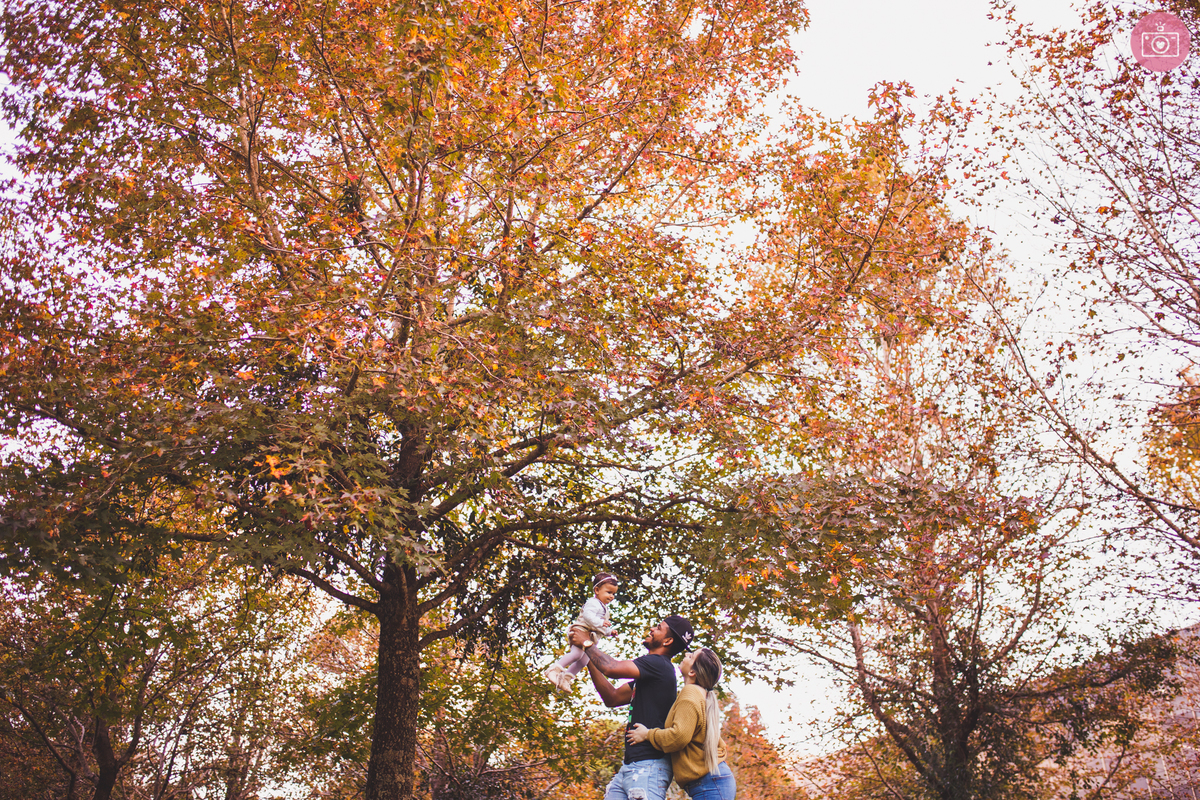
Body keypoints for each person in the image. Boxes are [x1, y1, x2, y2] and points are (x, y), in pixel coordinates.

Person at [568, 614, 695, 800]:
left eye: (658, 628)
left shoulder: (658, 665)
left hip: (649, 767)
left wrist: (587, 643)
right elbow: (612, 698)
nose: (652, 629)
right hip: (632, 766)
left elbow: (612, 668)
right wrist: (588, 658)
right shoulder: (653, 675)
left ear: (667, 641)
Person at [625, 648, 734, 800]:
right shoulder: (699, 693)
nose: (685, 655)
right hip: (712, 782)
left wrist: (648, 734)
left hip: (709, 783)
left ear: (693, 672)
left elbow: (678, 737)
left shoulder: (690, 693)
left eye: (691, 656)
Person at [546, 572, 620, 691]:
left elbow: (599, 627)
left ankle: (565, 678)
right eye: (609, 592)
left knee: (584, 661)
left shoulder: (604, 608)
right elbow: (588, 616)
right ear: (597, 590)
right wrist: (601, 623)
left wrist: (609, 631)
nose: (612, 596)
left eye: (614, 594)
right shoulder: (593, 603)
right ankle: (554, 669)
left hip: (589, 636)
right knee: (576, 654)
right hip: (580, 631)